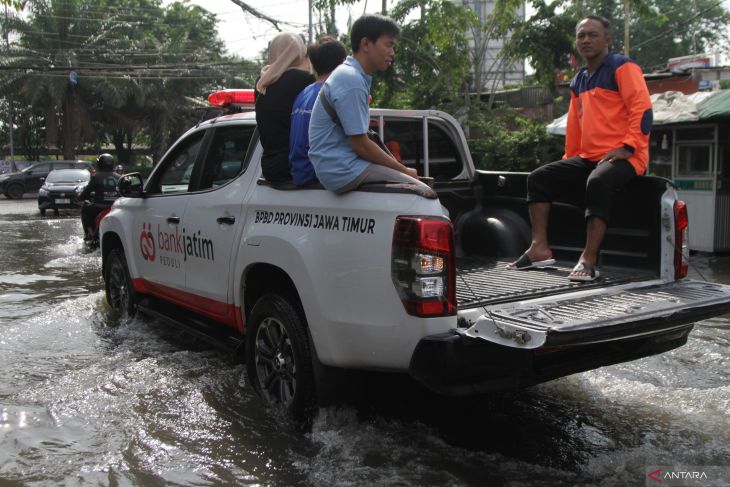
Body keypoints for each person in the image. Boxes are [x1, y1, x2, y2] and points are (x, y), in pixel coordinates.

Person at [509, 15, 653, 282]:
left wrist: (628, 147)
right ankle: (539, 247)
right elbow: (574, 126)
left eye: (593, 34)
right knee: (539, 178)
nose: (586, 40)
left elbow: (642, 110)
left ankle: (589, 259)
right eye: (581, 35)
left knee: (598, 182)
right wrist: (569, 161)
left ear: (607, 40)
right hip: (589, 157)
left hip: (626, 157)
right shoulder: (579, 79)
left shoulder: (623, 67)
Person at [308, 14, 431, 195]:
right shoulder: (352, 80)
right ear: (365, 44)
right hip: (342, 170)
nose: (392, 52)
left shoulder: (352, 75)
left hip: (339, 167)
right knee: (422, 190)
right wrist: (404, 171)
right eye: (388, 45)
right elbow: (360, 144)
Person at [255, 32, 315, 182]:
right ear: (299, 52)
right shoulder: (304, 79)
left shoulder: (262, 80)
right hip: (296, 168)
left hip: (270, 169)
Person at [289, 36, 347, 185]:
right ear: (342, 63)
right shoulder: (334, 93)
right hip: (320, 177)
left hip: (300, 175)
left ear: (313, 66)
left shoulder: (302, 94)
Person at [79, 153, 120, 240]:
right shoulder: (119, 177)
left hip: (99, 207)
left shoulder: (96, 177)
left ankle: (90, 234)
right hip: (116, 207)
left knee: (85, 208)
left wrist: (81, 197)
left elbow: (86, 193)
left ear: (99, 164)